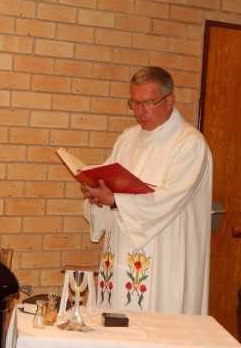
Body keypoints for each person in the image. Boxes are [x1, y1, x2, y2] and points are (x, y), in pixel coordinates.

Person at [81, 66, 212, 314]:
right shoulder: (127, 138)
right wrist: (97, 196)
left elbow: (169, 200)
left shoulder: (189, 144)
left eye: (148, 103)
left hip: (165, 260)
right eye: (135, 103)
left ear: (169, 100)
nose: (139, 112)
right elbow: (110, 185)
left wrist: (116, 201)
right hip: (121, 255)